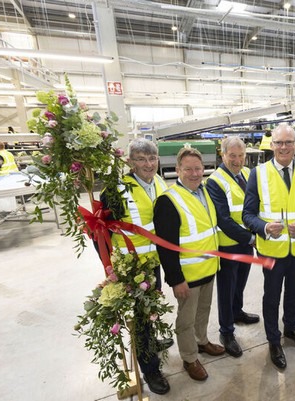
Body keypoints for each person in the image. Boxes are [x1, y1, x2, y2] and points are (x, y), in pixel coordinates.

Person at [242, 122, 295, 370]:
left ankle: (291, 327)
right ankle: (273, 340)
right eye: (279, 142)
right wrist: (264, 227)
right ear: (271, 145)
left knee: (294, 292)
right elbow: (247, 215)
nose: (283, 147)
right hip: (272, 251)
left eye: (288, 142)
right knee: (272, 296)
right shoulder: (258, 173)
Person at [99, 138, 171, 395]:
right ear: (130, 162)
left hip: (154, 262)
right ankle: (150, 370)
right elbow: (102, 233)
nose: (148, 164)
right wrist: (110, 267)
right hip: (131, 267)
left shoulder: (160, 182)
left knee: (152, 310)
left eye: (152, 159)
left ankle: (152, 342)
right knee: (140, 319)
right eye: (141, 159)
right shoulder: (115, 191)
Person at [154, 147, 225, 383]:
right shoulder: (169, 201)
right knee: (186, 319)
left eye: (198, 168)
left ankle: (202, 341)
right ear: (177, 170)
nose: (194, 174)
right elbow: (165, 247)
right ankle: (189, 357)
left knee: (203, 311)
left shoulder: (204, 192)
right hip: (187, 276)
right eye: (188, 169)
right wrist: (176, 280)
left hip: (209, 268)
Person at [206, 136, 260, 358]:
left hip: (246, 243)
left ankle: (237, 312)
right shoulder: (215, 181)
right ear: (222, 155)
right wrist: (251, 238)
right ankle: (226, 332)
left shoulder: (247, 173)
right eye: (232, 156)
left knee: (240, 283)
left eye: (241, 155)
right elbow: (223, 219)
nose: (237, 160)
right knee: (227, 290)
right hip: (228, 245)